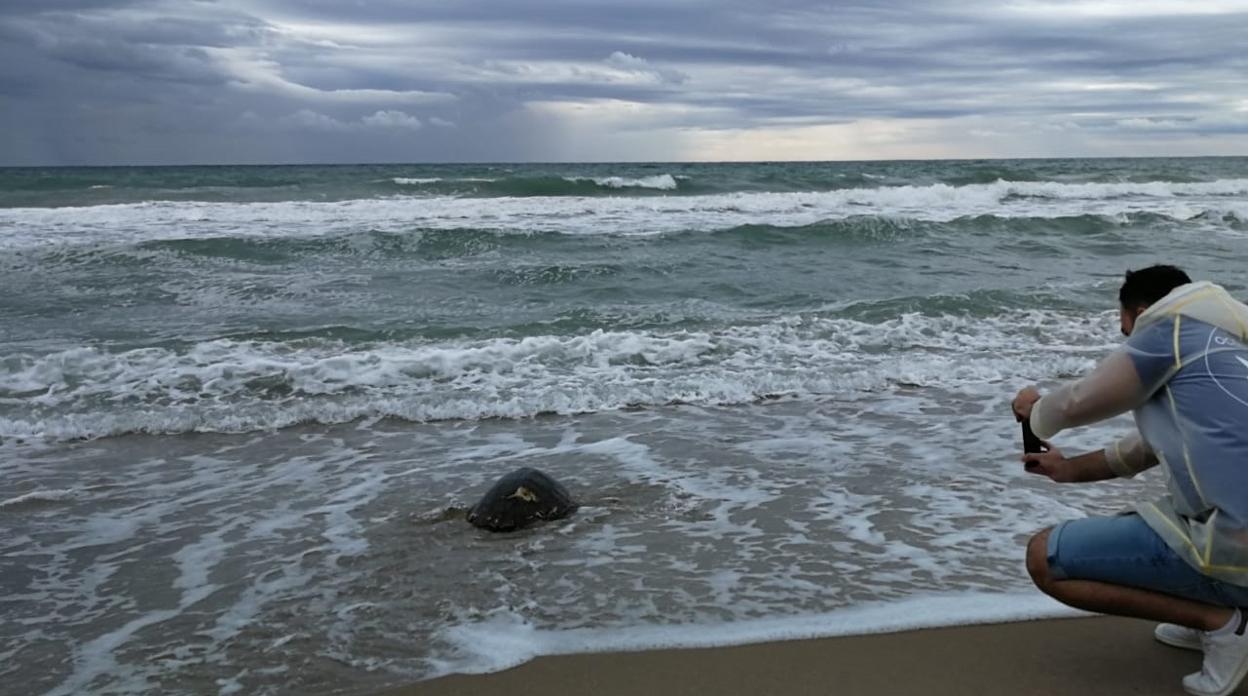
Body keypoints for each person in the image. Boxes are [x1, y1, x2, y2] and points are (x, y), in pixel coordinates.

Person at [1013, 265, 1248, 696]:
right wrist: (1067, 470)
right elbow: (1142, 449)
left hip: (1236, 549)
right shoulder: (1229, 346)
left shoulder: (1171, 330)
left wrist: (1036, 409)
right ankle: (1215, 609)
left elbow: (1081, 401)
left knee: (1044, 558)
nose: (1128, 340)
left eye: (1126, 331)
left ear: (1141, 312)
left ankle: (1223, 623)